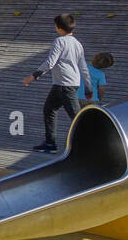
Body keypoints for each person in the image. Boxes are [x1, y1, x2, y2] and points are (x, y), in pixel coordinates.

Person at [22, 13, 93, 153]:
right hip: (68, 83)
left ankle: (91, 146)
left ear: (59, 28)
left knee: (76, 116)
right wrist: (88, 87)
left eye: (55, 26)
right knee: (49, 109)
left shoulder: (59, 41)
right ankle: (50, 143)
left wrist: (33, 76)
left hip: (64, 85)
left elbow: (50, 63)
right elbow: (83, 66)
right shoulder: (78, 44)